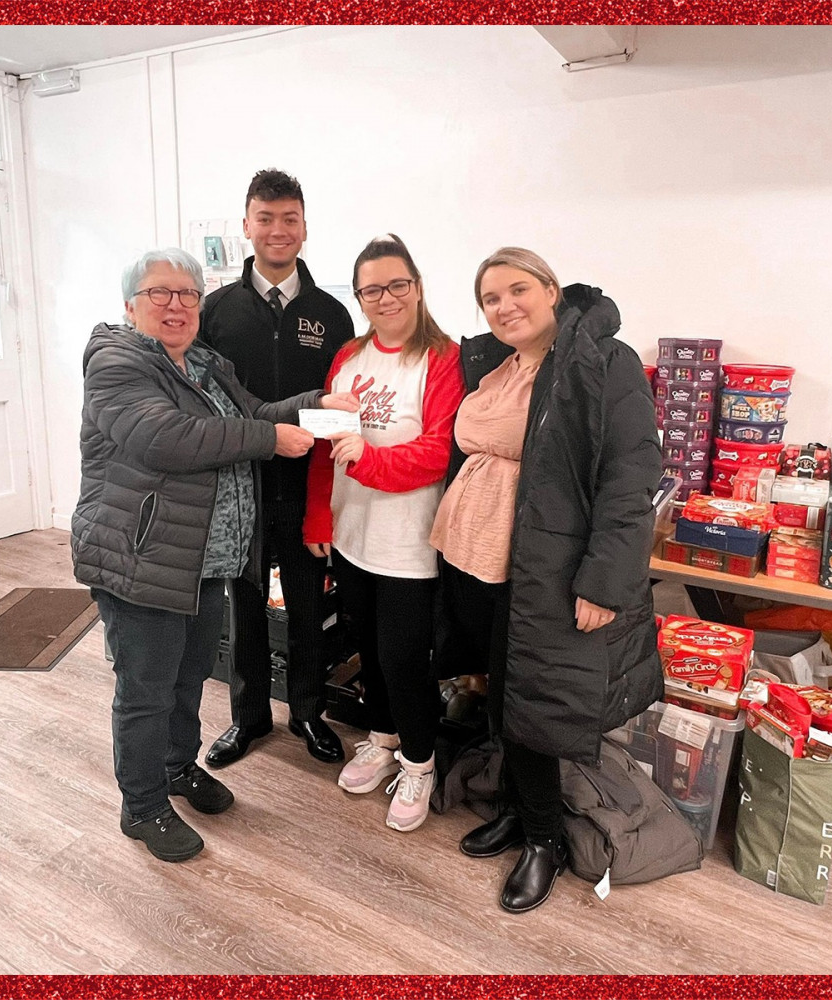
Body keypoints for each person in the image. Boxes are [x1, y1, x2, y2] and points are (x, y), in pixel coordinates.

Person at [72, 248, 357, 862]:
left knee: (186, 680)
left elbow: (254, 412)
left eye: (188, 294)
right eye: (160, 293)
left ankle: (177, 769)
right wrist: (269, 438)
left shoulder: (205, 363)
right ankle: (142, 806)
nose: (176, 305)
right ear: (130, 305)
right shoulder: (117, 363)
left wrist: (314, 402)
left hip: (204, 559)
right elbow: (166, 436)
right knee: (145, 689)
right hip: (141, 557)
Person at [430, 247, 663, 911]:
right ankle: (518, 806)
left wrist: (603, 582)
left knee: (532, 705)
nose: (505, 306)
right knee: (506, 697)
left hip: (549, 571)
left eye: (517, 289)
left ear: (552, 290)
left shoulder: (600, 362)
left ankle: (544, 840)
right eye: (490, 299)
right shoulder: (497, 368)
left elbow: (630, 476)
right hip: (482, 564)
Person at [304, 234, 466, 833]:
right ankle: (381, 736)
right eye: (372, 288)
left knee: (404, 658)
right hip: (352, 533)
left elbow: (439, 450)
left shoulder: (443, 358)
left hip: (408, 541)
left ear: (417, 286)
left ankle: (419, 761)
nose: (386, 297)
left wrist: (368, 461)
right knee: (365, 646)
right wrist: (319, 516)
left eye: (397, 284)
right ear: (360, 296)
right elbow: (326, 445)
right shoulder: (348, 356)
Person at [201, 169, 356, 769]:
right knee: (242, 605)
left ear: (305, 228)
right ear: (246, 226)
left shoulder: (332, 314)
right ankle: (248, 718)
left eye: (289, 219)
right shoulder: (216, 312)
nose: (277, 230)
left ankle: (309, 713)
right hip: (240, 484)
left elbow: (341, 403)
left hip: (307, 485)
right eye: (265, 218)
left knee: (308, 606)